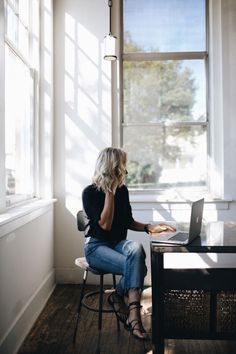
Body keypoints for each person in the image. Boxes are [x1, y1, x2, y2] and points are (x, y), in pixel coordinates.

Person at [82, 147, 175, 340]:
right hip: (96, 246)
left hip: (118, 244)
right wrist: (109, 192)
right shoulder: (90, 193)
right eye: (123, 167)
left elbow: (128, 221)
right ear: (112, 168)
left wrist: (150, 227)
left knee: (136, 248)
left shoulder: (123, 191)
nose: (126, 171)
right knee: (137, 267)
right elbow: (105, 226)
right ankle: (134, 316)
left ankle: (119, 295)